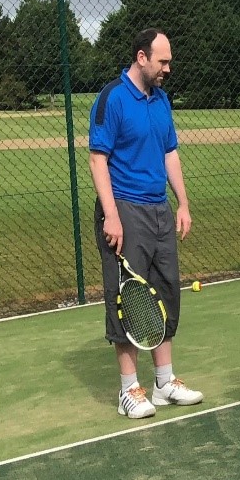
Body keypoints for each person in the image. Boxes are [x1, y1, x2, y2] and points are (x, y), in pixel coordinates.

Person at [88, 27, 203, 419]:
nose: (168, 68)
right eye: (162, 61)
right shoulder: (113, 99)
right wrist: (112, 215)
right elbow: (97, 159)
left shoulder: (162, 101)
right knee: (128, 298)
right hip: (124, 208)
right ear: (141, 57)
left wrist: (183, 203)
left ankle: (164, 382)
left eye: (169, 61)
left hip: (158, 210)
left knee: (165, 292)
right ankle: (128, 389)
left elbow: (170, 153)